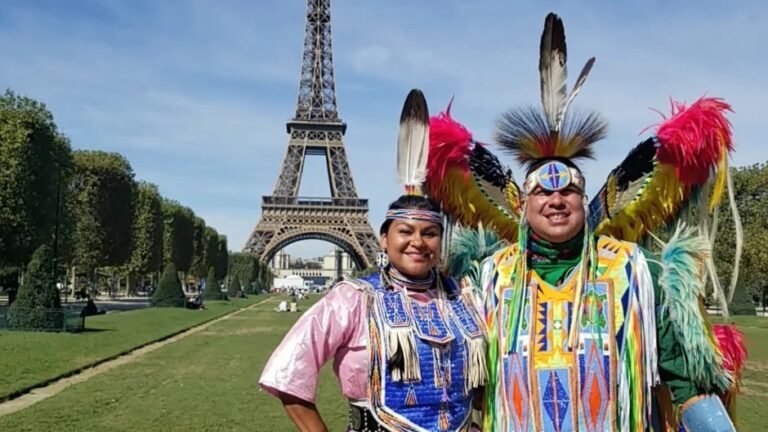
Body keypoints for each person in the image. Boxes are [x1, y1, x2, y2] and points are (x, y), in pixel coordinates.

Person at [425, 13, 745, 432]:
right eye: (543, 192)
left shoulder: (635, 271)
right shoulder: (490, 279)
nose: (556, 200)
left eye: (568, 191)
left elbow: (685, 383)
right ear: (523, 205)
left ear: (583, 199)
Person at [259, 90, 487, 431]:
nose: (417, 242)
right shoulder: (353, 299)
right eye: (405, 231)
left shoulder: (466, 298)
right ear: (384, 238)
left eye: (429, 233)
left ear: (441, 240)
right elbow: (288, 373)